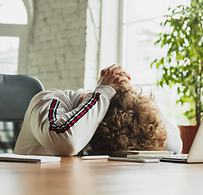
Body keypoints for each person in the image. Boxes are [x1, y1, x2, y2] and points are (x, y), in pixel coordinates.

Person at [14, 64, 182, 156]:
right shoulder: (47, 100)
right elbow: (67, 143)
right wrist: (103, 92)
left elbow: (175, 146)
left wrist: (135, 99)